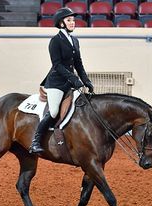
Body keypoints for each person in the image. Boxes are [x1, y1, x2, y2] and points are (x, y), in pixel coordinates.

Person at [29, 7, 94, 154]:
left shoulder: (75, 41)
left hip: (69, 83)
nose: (72, 22)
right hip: (56, 83)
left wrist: (86, 80)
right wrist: (74, 79)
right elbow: (57, 65)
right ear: (61, 23)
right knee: (53, 112)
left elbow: (78, 64)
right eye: (69, 20)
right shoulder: (55, 41)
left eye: (73, 20)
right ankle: (35, 141)